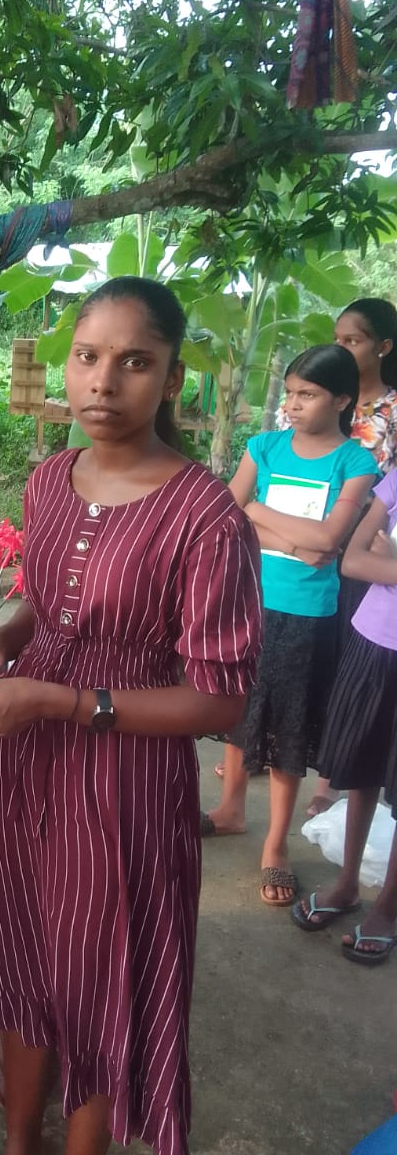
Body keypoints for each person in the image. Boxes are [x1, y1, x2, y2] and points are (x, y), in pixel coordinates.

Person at [0, 277, 263, 1155]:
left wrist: (64, 700)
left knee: (99, 969)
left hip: (126, 775)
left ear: (173, 378)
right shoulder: (51, 478)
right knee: (21, 944)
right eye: (87, 357)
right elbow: (47, 603)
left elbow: (220, 698)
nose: (103, 383)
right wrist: (5, 638)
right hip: (25, 754)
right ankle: (19, 1141)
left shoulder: (206, 518)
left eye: (134, 362)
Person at [204, 346, 378, 903]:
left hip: (306, 613)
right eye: (291, 393)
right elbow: (226, 516)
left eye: (309, 395)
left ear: (342, 400)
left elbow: (329, 538)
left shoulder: (355, 463)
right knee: (240, 705)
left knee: (288, 727)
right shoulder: (265, 446)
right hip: (248, 598)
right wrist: (284, 535)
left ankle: (276, 844)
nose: (294, 405)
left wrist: (253, 508)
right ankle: (230, 809)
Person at [291, 464, 397, 964]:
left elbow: (373, 558)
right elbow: (353, 560)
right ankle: (347, 884)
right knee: (360, 768)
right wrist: (381, 559)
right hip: (374, 640)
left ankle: (389, 907)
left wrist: (389, 560)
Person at [302, 297, 397, 818]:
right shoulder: (318, 396)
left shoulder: (392, 412)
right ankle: (284, 746)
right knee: (302, 651)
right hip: (304, 545)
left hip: (363, 553)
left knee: (344, 659)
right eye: (336, 339)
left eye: (352, 341)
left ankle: (330, 776)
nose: (340, 347)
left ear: (382, 347)